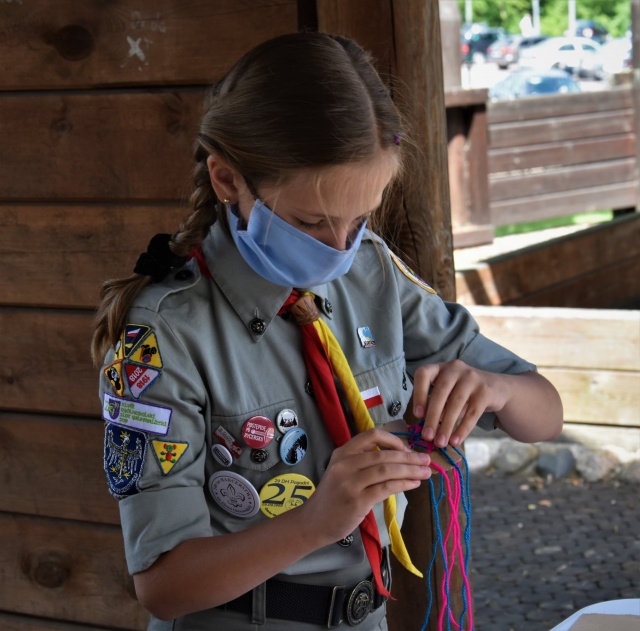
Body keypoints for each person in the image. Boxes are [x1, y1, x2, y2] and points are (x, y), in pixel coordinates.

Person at [92, 31, 563, 631]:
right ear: (228, 180)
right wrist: (317, 521)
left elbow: (545, 415)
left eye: (359, 217)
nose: (339, 248)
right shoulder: (163, 337)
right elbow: (164, 587)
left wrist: (496, 389)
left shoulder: (372, 275)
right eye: (310, 221)